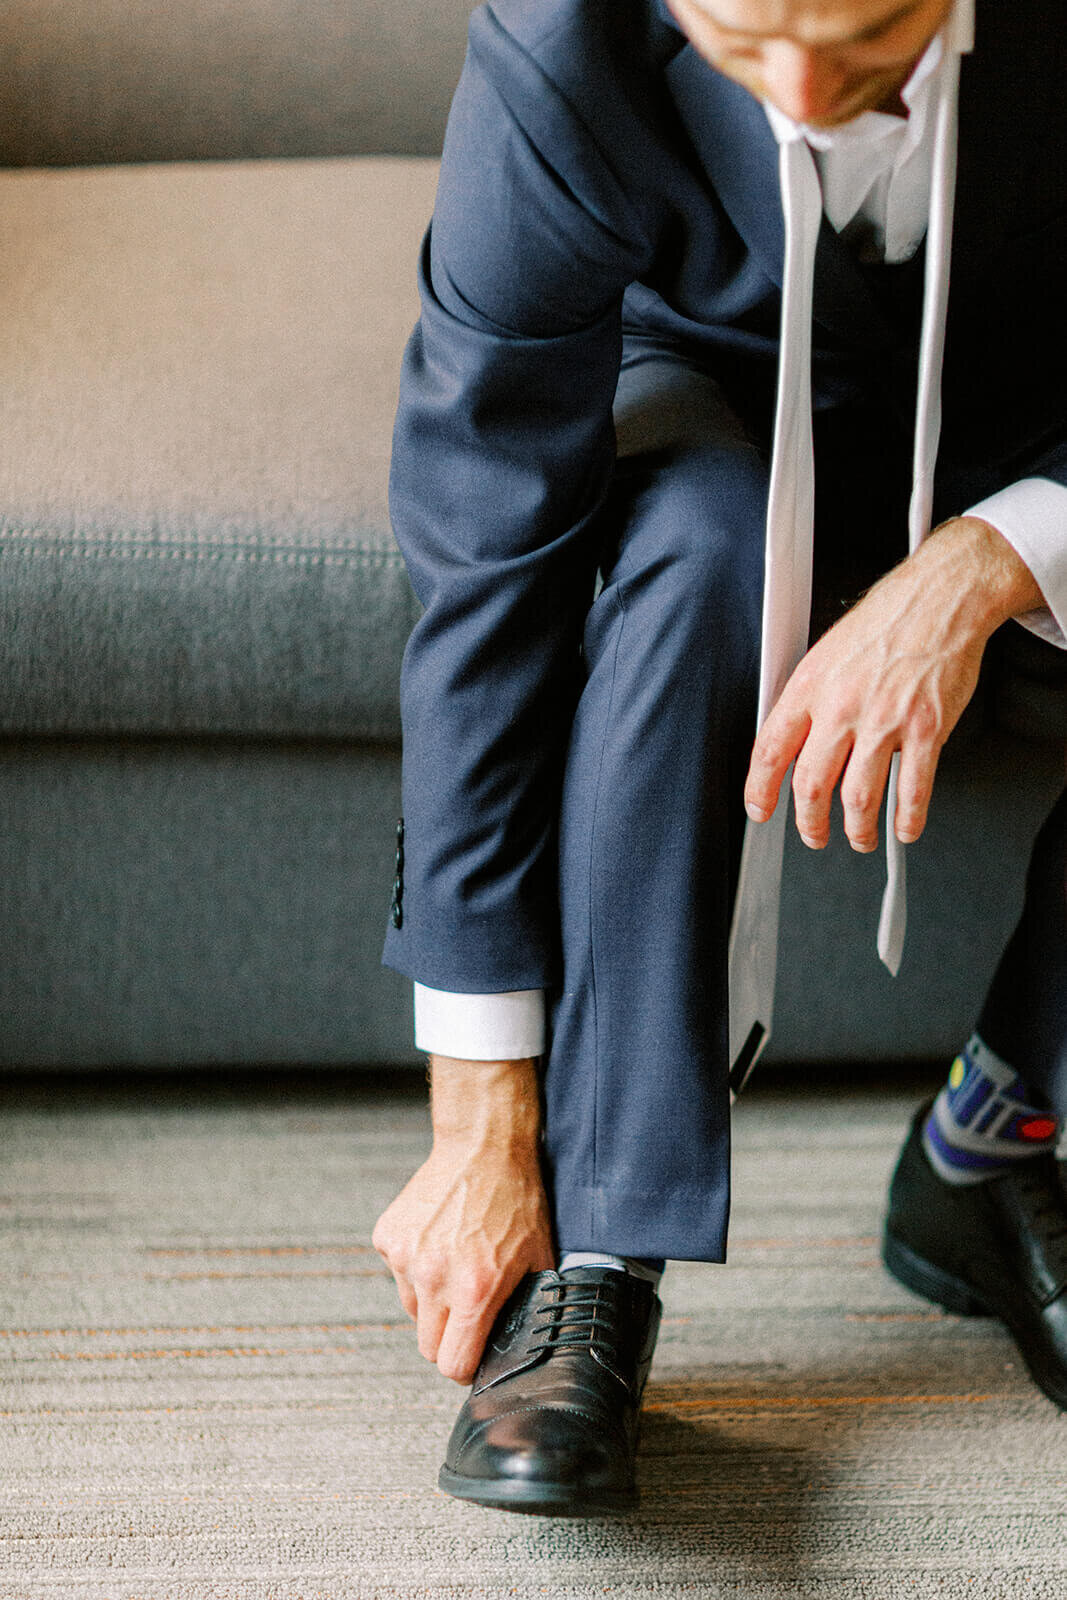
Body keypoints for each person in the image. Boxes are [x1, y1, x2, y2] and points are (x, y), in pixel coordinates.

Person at [372, 0, 1067, 1514]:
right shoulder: (562, 44)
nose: (807, 95)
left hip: (1048, 405)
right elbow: (486, 555)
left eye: (871, 23)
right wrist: (478, 1118)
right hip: (714, 375)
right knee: (688, 560)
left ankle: (1000, 1134)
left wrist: (992, 557)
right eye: (751, 30)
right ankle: (591, 1251)